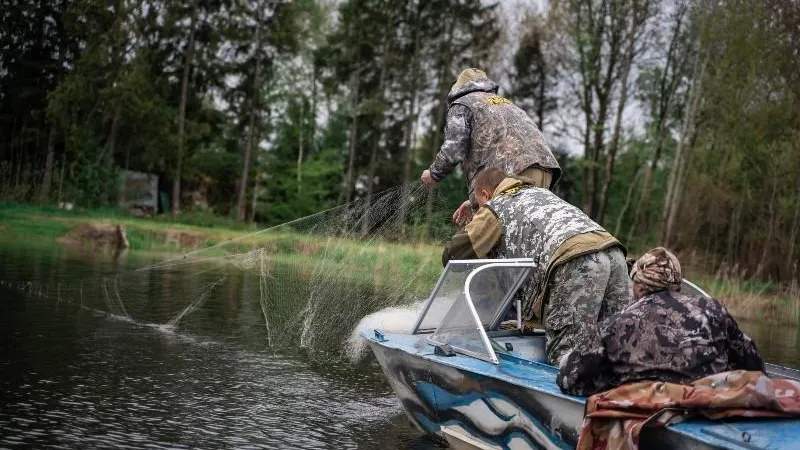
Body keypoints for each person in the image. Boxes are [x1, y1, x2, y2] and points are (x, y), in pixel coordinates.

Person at [442, 168, 631, 365]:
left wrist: (477, 217)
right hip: (613, 252)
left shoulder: (495, 206)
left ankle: (558, 397)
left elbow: (453, 254)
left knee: (567, 357)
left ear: (485, 194)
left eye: (478, 203)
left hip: (577, 261)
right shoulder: (541, 193)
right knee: (618, 346)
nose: (479, 209)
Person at [557, 247, 765, 397]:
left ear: (637, 285)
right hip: (706, 404)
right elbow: (753, 365)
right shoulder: (714, 310)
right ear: (677, 285)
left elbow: (570, 379)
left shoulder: (616, 324)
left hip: (650, 411)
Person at [420, 68, 561, 225]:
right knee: (527, 233)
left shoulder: (462, 104)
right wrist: (474, 201)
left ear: (458, 87)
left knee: (494, 236)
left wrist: (434, 173)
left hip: (510, 174)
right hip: (546, 170)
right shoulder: (505, 103)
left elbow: (454, 148)